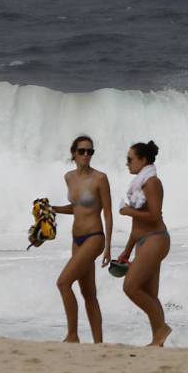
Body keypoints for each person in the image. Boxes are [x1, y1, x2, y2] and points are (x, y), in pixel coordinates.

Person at [51, 135, 113, 343]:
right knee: (88, 293)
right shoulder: (69, 177)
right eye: (82, 151)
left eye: (90, 151)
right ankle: (98, 343)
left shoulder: (100, 179)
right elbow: (77, 208)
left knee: (63, 282)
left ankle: (72, 335)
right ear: (74, 154)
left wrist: (108, 247)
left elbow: (108, 214)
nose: (86, 155)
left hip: (95, 237)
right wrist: (53, 209)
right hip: (76, 240)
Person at [117, 140, 172, 346]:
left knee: (131, 287)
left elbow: (154, 215)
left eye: (130, 159)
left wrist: (127, 211)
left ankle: (162, 329)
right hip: (142, 240)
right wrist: (127, 250)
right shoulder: (139, 184)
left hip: (156, 239)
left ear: (143, 160)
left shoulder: (152, 183)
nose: (127, 163)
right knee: (149, 294)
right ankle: (158, 339)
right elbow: (137, 222)